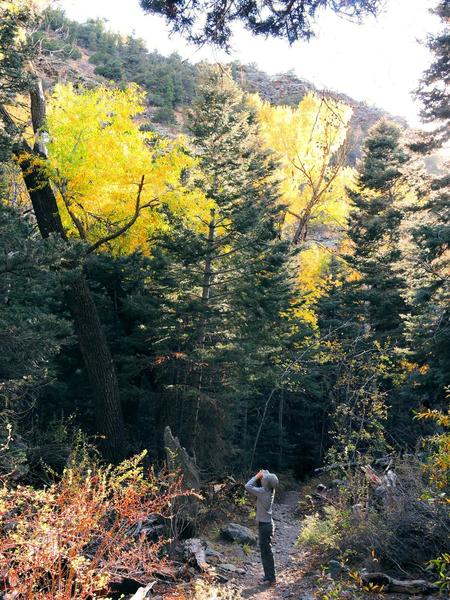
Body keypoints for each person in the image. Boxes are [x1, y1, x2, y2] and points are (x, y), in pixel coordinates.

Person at [245, 469, 279, 586]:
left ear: (265, 482)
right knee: (266, 552)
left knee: (266, 553)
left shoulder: (263, 492)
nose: (262, 478)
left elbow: (247, 486)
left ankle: (271, 578)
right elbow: (270, 479)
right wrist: (264, 474)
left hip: (265, 526)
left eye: (263, 478)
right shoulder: (270, 489)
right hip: (267, 524)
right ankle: (269, 576)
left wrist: (256, 476)